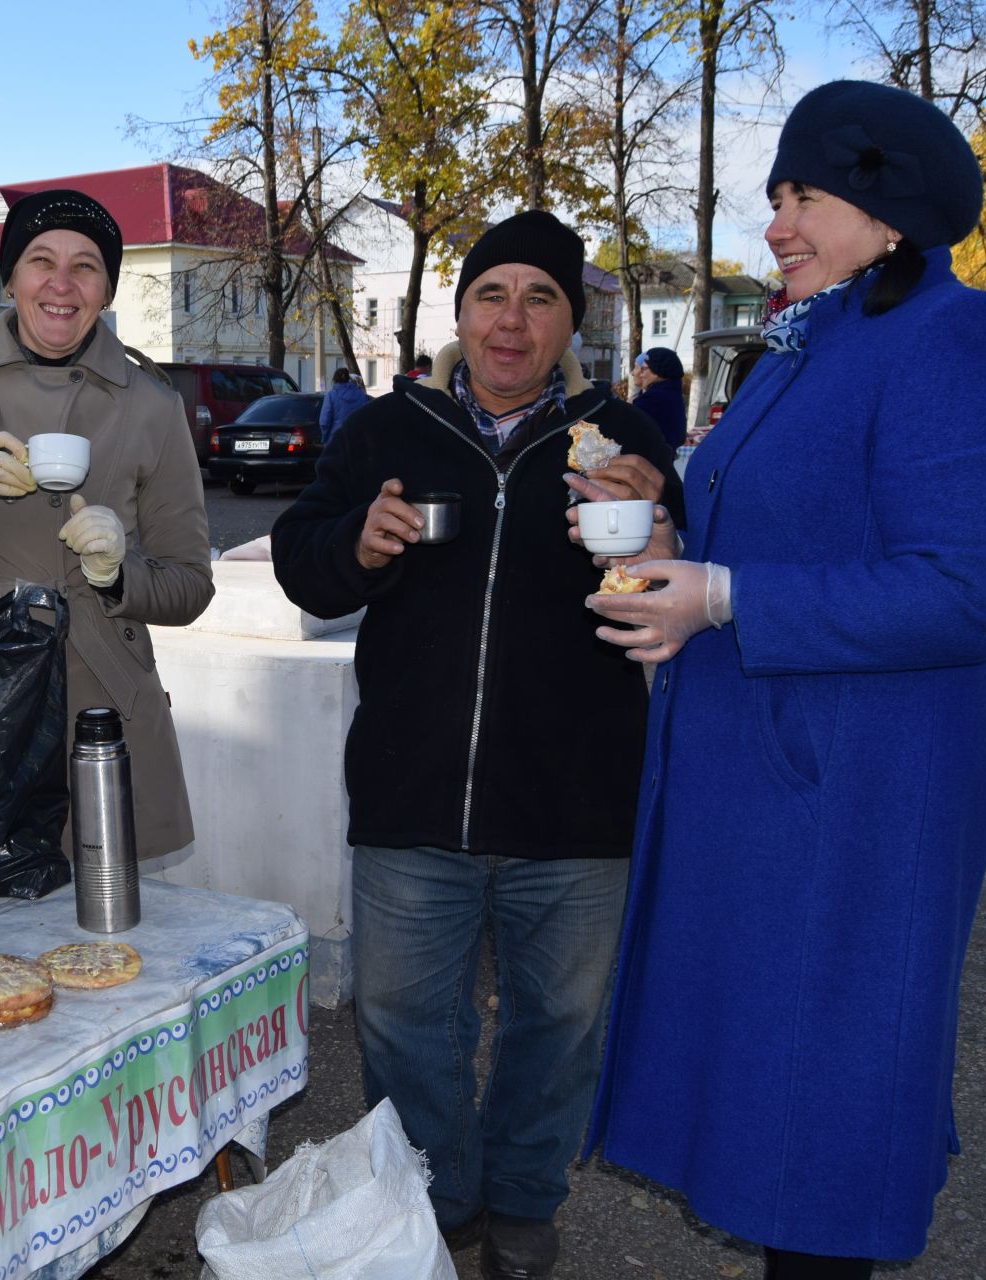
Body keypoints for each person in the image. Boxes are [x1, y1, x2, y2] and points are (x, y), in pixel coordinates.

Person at [581, 81, 986, 1279]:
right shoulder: (815, 337)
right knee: (770, 1092)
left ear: (890, 213)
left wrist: (727, 598)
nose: (778, 222)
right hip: (774, 777)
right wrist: (664, 542)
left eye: (805, 196)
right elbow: (794, 525)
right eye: (776, 195)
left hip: (860, 793)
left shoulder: (959, 333)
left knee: (827, 1108)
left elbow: (967, 588)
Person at [271, 209, 684, 1280]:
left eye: (541, 297)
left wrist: (666, 533)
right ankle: (437, 1202)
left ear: (570, 322)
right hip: (416, 795)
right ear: (460, 311)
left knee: (560, 1025)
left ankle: (524, 1198)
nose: (513, 319)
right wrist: (355, 545)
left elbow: (668, 601)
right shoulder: (384, 431)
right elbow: (302, 558)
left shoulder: (625, 441)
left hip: (577, 800)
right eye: (494, 293)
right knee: (407, 1020)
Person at [0, 187, 212, 859]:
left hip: (106, 701)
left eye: (86, 266)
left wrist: (119, 575)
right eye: (40, 261)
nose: (61, 284)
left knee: (111, 934)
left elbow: (190, 585)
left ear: (108, 290)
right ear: (10, 278)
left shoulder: (151, 404)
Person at [626, 346, 687, 450]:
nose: (641, 374)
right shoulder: (672, 394)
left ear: (657, 370)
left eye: (644, 369)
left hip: (649, 462)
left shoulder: (651, 401)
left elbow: (629, 435)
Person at [317, 366, 369, 445]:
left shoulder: (331, 395)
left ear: (335, 380)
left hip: (336, 439)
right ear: (349, 379)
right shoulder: (361, 394)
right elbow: (366, 417)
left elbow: (324, 422)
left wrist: (325, 439)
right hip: (357, 439)